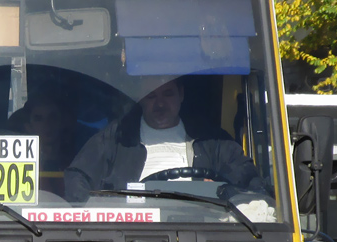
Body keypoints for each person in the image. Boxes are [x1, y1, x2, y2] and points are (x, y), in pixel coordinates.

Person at [63, 77, 266, 203]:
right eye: (151, 96)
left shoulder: (211, 139)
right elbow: (76, 178)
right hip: (130, 237)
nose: (160, 104)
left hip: (200, 234)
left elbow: (251, 182)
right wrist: (99, 212)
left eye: (167, 94)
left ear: (181, 94)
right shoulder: (117, 137)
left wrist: (221, 190)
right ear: (140, 98)